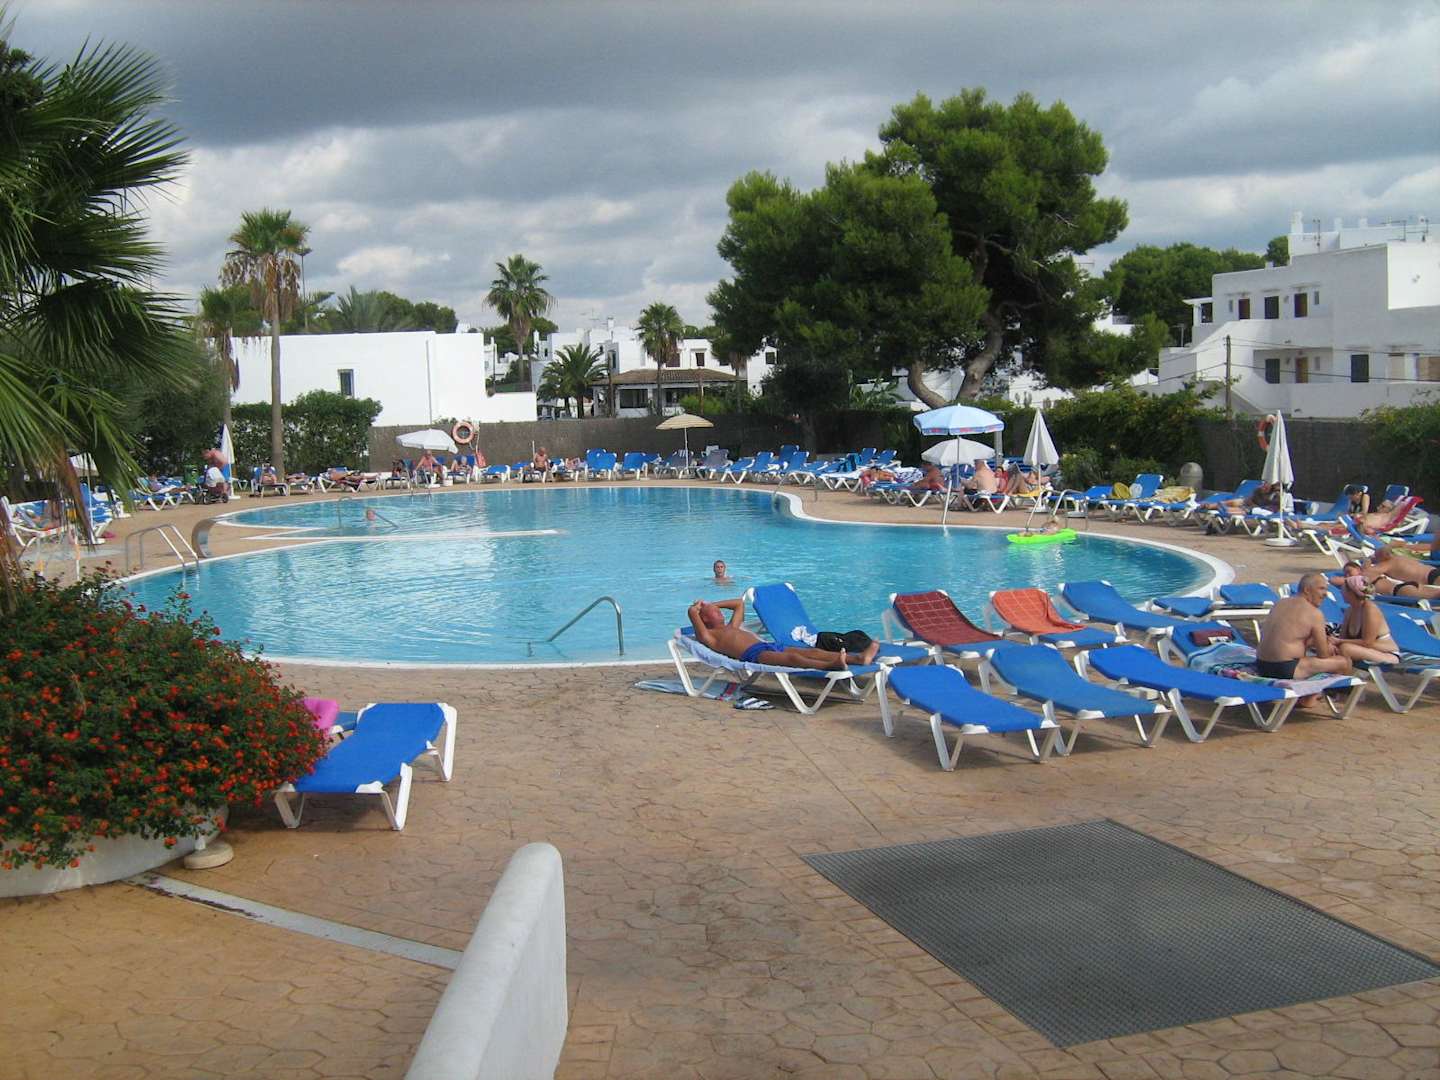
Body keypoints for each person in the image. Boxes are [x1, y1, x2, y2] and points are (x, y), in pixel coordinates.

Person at [687, 598, 879, 670]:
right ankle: (831, 665)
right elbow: (691, 612)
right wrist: (698, 608)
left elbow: (739, 603)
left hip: (767, 646)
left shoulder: (732, 626)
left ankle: (858, 658)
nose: (720, 612)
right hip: (754, 654)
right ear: (705, 619)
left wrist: (712, 604)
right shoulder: (710, 637)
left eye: (719, 609)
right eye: (715, 612)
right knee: (793, 659)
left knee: (811, 652)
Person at [1256, 571, 1353, 695]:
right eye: (1321, 589)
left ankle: (1311, 697)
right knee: (1343, 662)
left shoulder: (1280, 603)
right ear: (1307, 590)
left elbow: (1288, 636)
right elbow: (1323, 654)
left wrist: (1310, 642)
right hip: (1285, 669)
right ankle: (1330, 696)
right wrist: (1327, 645)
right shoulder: (1314, 613)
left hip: (1261, 664)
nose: (1325, 594)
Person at [1332, 570, 1401, 666]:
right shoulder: (1350, 610)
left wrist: (1339, 641)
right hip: (1365, 651)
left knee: (1345, 648)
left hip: (1386, 654)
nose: (1341, 592)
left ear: (1351, 592)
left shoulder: (1369, 609)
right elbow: (1342, 638)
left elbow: (1367, 642)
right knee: (1332, 647)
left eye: (1343, 589)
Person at [1367, 543, 1440, 593]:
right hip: (1432, 571)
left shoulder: (1387, 564)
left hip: (1428, 578)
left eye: (1375, 556)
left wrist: (1368, 561)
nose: (1373, 557)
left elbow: (1368, 571)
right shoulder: (1400, 558)